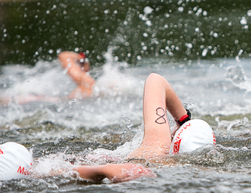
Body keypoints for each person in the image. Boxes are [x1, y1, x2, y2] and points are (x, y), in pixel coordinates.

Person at [1, 73, 215, 183]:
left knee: (22, 166)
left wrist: (183, 119)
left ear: (176, 137)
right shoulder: (164, 158)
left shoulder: (156, 146)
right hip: (74, 165)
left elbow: (155, 80)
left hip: (69, 164)